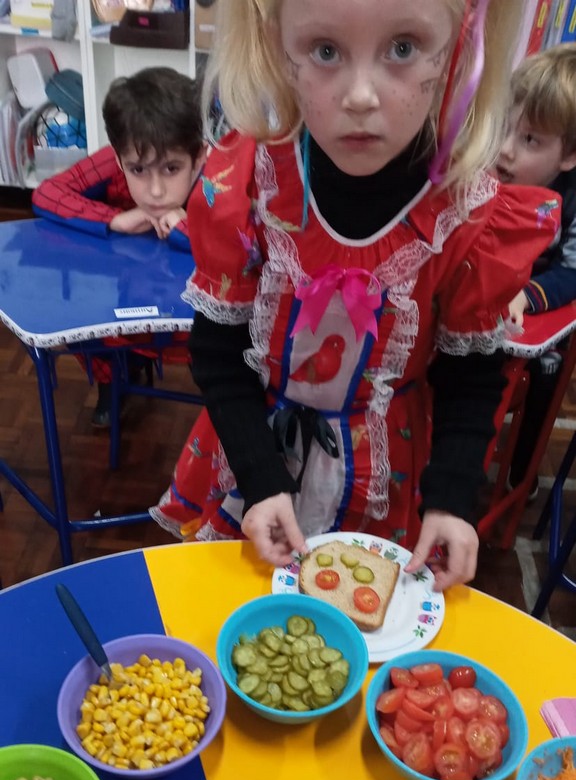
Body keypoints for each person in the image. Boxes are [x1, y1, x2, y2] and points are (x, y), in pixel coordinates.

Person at [151, 0, 560, 591]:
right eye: (325, 51)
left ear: (461, 44)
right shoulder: (248, 184)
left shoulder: (466, 215)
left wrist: (450, 501)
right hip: (251, 461)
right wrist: (261, 479)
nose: (361, 97)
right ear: (276, 43)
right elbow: (218, 353)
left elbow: (470, 377)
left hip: (384, 483)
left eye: (402, 48)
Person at [32, 66, 206, 427]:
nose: (155, 191)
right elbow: (47, 193)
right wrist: (114, 219)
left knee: (219, 362)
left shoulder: (219, 176)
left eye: (172, 168)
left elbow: (245, 243)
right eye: (138, 170)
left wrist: (185, 228)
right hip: (128, 299)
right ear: (119, 160)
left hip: (196, 314)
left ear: (199, 158)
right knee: (87, 323)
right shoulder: (118, 158)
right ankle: (116, 377)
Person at [493, 43, 576, 496]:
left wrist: (528, 295)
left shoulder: (571, 201)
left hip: (533, 318)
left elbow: (572, 272)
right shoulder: (487, 174)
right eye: (504, 128)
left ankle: (520, 474)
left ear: (569, 155)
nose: (504, 151)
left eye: (530, 140)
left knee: (546, 374)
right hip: (476, 309)